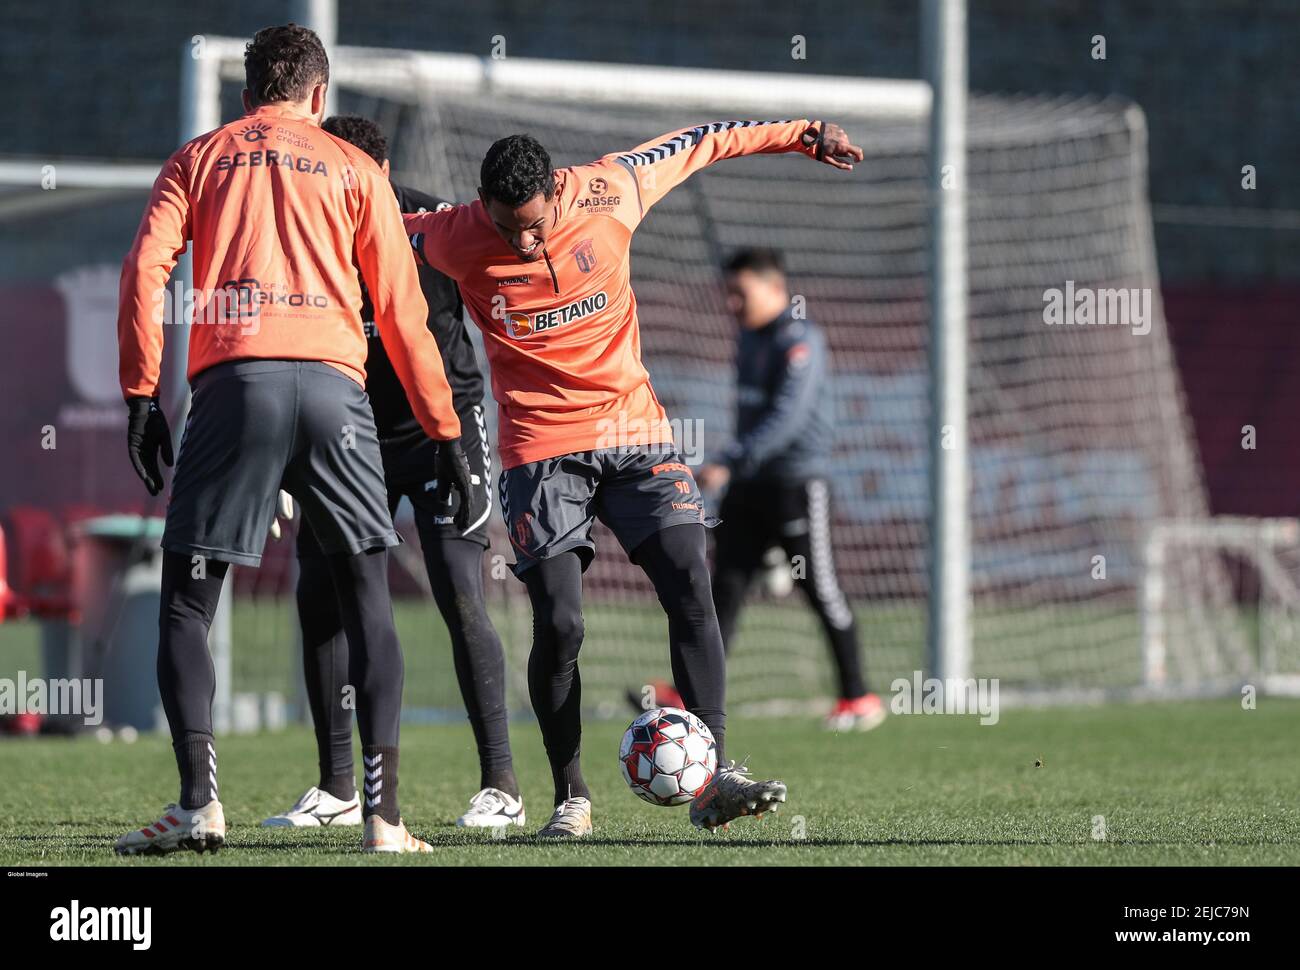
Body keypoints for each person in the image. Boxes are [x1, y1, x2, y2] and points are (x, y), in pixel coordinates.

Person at [404, 118, 864, 836]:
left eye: (530, 227)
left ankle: (713, 775)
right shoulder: (452, 234)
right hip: (541, 447)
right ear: (482, 207)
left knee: (690, 578)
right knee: (560, 623)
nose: (521, 242)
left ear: (556, 192)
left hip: (635, 433)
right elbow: (356, 217)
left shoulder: (612, 189)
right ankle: (571, 798)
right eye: (505, 228)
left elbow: (705, 141)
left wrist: (802, 135)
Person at [113, 24, 481, 856]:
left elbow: (145, 271)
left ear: (247, 96)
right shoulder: (354, 167)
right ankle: (384, 822)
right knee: (368, 597)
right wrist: (445, 431)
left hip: (233, 385)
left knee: (187, 600)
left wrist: (141, 393)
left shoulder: (199, 157)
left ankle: (199, 803)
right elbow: (402, 312)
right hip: (335, 391)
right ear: (320, 97)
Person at [261, 115, 522, 831]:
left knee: (458, 591)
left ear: (377, 170)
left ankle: (501, 780)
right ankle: (340, 788)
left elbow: (513, 277)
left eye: (356, 172)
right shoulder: (306, 234)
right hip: (350, 438)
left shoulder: (438, 226)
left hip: (444, 432)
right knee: (320, 592)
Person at [695, 247, 886, 732]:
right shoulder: (747, 337)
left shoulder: (799, 339)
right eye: (729, 295)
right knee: (724, 589)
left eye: (741, 293)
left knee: (820, 588)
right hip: (748, 486)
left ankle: (858, 697)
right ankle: (692, 696)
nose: (733, 304)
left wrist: (731, 459)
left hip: (796, 486)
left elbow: (788, 418)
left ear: (774, 288)